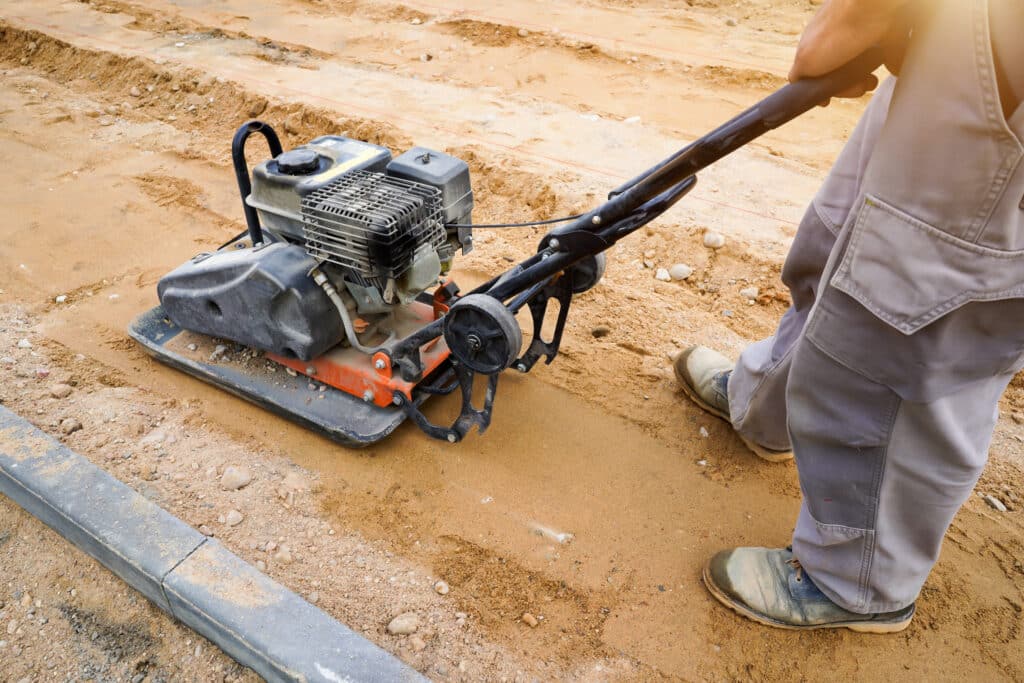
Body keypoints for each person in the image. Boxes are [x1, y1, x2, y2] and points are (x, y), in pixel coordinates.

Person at [675, 0, 1024, 632]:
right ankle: (767, 406)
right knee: (844, 241)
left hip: (1007, 74)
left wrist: (853, 20)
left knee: (911, 322)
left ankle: (859, 580)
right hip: (972, 41)